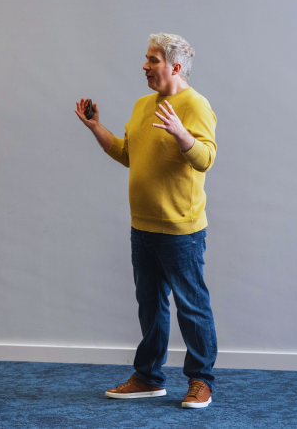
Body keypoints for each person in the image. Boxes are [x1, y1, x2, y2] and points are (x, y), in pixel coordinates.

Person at [75, 33, 217, 409]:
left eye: (152, 60)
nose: (144, 66)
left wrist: (183, 135)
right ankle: (149, 377)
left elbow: (205, 158)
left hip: (181, 231)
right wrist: (95, 127)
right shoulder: (142, 105)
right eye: (146, 58)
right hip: (143, 228)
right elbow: (127, 154)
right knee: (150, 306)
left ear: (175, 66)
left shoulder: (196, 105)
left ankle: (201, 379)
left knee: (192, 306)